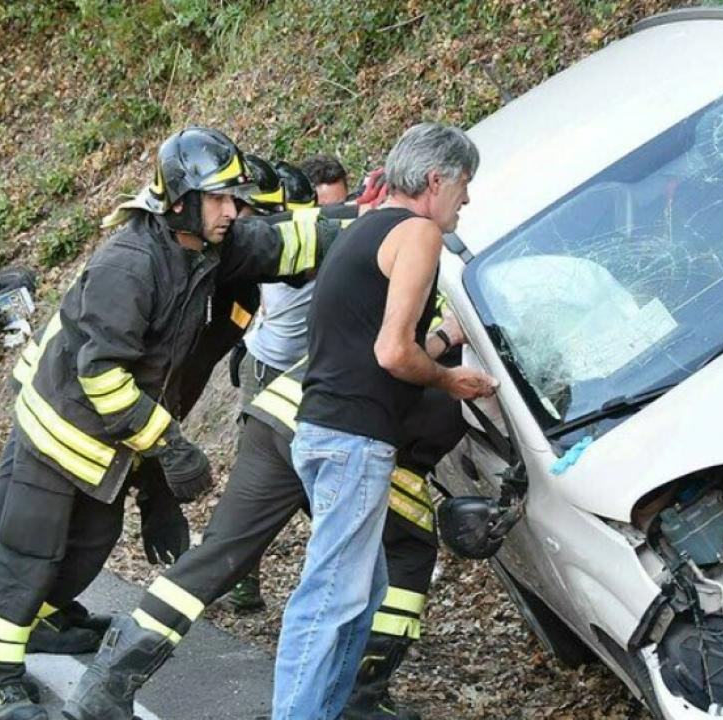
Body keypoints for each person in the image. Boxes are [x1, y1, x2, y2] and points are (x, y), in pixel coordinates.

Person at [0, 127, 347, 720]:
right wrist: (171, 452)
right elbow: (103, 378)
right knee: (30, 554)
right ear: (180, 200)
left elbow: (291, 241)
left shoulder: (208, 250)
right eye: (222, 199)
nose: (234, 212)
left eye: (238, 199)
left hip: (112, 444)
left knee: (86, 551)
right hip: (61, 430)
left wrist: (386, 225)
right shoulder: (131, 262)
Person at [64, 357, 462, 720]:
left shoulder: (433, 296)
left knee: (220, 555)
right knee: (409, 548)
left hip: (281, 411)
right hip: (343, 435)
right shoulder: (482, 335)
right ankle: (360, 697)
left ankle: (104, 686)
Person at [273, 123, 495, 719]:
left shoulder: (367, 228)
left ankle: (328, 709)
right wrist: (451, 379)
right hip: (352, 439)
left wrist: (446, 339)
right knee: (328, 600)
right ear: (435, 180)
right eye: (464, 185)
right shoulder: (417, 232)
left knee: (362, 594)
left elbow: (379, 334)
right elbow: (394, 352)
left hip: (324, 430)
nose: (466, 201)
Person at [214, 155, 353, 614]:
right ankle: (240, 584)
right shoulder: (281, 245)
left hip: (314, 369)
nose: (324, 214)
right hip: (268, 368)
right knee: (253, 483)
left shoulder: (307, 230)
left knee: (324, 478)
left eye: (336, 203)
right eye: (320, 206)